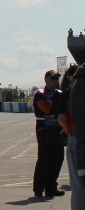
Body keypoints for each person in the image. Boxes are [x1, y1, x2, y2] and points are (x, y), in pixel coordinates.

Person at [57, 65, 84, 210]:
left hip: (77, 138)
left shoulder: (69, 92)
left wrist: (68, 129)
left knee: (77, 182)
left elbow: (61, 118)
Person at [32, 69, 65, 198]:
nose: (55, 81)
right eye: (53, 78)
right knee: (44, 159)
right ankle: (38, 189)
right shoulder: (39, 94)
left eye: (57, 78)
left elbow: (64, 110)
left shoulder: (60, 94)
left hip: (57, 129)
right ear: (46, 79)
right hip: (44, 128)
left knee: (57, 158)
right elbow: (47, 109)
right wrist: (58, 108)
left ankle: (51, 188)